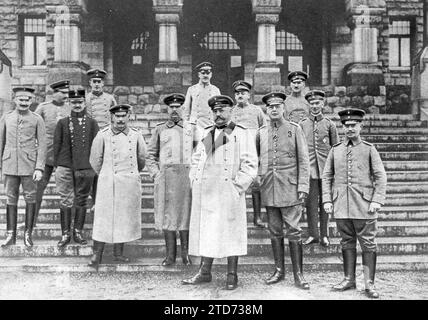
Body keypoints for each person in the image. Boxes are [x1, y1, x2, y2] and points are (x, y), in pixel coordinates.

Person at [181, 95, 258, 290]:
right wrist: (194, 180)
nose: (218, 114)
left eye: (222, 110)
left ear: (230, 111)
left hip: (228, 192)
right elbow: (198, 158)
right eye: (215, 111)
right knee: (208, 231)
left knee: (231, 232)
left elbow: (250, 165)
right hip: (207, 192)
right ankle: (204, 272)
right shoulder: (207, 133)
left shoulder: (240, 133)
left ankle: (232, 274)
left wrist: (236, 187)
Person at [322, 108, 387, 299]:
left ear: (360, 126)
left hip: (365, 205)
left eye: (353, 125)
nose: (350, 128)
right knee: (346, 242)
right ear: (342, 127)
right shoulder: (336, 150)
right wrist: (327, 199)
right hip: (341, 204)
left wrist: (376, 200)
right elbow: (327, 177)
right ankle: (349, 279)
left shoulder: (369, 149)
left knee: (368, 244)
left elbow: (380, 176)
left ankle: (369, 283)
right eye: (346, 125)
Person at [257, 92, 310, 290]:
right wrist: (258, 179)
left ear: (283, 109)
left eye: (277, 106)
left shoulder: (294, 129)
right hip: (270, 189)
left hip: (291, 188)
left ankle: (299, 274)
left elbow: (304, 161)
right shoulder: (261, 132)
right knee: (275, 231)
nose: (273, 109)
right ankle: (279, 270)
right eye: (270, 107)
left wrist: (303, 186)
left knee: (294, 232)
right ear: (266, 110)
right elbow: (256, 159)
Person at [88, 104, 147, 271]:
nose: (120, 119)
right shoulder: (102, 135)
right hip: (108, 182)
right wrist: (107, 174)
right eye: (117, 116)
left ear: (129, 116)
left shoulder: (136, 135)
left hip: (128, 183)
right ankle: (96, 254)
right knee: (103, 218)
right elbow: (95, 159)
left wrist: (130, 174)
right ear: (111, 117)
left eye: (123, 116)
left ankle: (118, 253)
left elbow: (141, 158)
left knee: (123, 217)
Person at [146, 93, 202, 266]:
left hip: (186, 178)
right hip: (166, 180)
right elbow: (150, 155)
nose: (175, 110)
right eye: (172, 107)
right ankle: (170, 255)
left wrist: (196, 173)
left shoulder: (191, 128)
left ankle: (186, 254)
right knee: (168, 216)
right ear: (167, 109)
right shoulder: (160, 129)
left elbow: (202, 151)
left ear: (183, 109)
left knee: (186, 215)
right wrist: (156, 174)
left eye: (179, 107)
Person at [0, 87, 46, 247]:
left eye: (27, 100)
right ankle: (10, 235)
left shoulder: (37, 119)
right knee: (11, 198)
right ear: (15, 100)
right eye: (21, 99)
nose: (24, 103)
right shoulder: (7, 117)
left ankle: (28, 234)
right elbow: (1, 142)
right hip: (10, 163)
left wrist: (39, 168)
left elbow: (42, 145)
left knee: (30, 198)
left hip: (29, 165)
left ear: (31, 101)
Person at [53, 89, 99, 248]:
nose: (77, 105)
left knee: (81, 199)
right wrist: (57, 165)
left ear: (85, 103)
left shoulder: (92, 123)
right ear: (69, 103)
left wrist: (94, 167)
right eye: (74, 102)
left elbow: (96, 147)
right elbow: (56, 145)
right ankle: (65, 233)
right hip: (65, 165)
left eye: (80, 102)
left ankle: (77, 231)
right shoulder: (62, 123)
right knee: (66, 199)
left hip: (85, 167)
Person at [299, 90, 339, 247]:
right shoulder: (302, 125)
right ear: (308, 105)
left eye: (317, 103)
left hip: (326, 171)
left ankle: (324, 235)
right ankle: (313, 234)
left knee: (325, 203)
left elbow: (336, 149)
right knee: (310, 203)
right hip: (309, 170)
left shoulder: (330, 125)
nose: (314, 106)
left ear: (323, 104)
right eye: (312, 103)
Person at [231, 80, 267, 228]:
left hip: (253, 151)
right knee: (236, 183)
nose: (240, 95)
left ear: (248, 95)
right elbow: (226, 132)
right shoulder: (231, 111)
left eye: (243, 93)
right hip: (235, 152)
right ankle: (235, 218)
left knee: (256, 184)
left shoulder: (256, 110)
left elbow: (264, 131)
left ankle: (257, 217)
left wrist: (261, 153)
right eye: (238, 93)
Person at [34, 80, 70, 226]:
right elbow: (33, 126)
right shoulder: (43, 108)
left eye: (67, 93)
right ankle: (33, 220)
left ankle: (69, 224)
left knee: (68, 190)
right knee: (39, 188)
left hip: (65, 155)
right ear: (54, 93)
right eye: (63, 93)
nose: (66, 96)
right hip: (46, 154)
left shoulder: (70, 109)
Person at [85, 68, 117, 212]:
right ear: (90, 83)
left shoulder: (110, 99)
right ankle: (93, 199)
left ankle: (104, 200)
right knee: (92, 170)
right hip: (90, 139)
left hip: (106, 138)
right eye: (94, 82)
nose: (97, 84)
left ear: (103, 83)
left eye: (99, 82)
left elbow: (116, 117)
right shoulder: (85, 99)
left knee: (104, 170)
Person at [182, 62, 221, 129]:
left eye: (208, 73)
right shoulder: (192, 89)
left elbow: (219, 109)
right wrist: (186, 124)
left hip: (210, 125)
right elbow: (186, 110)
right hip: (195, 125)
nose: (205, 75)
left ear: (211, 74)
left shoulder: (215, 90)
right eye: (203, 73)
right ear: (199, 74)